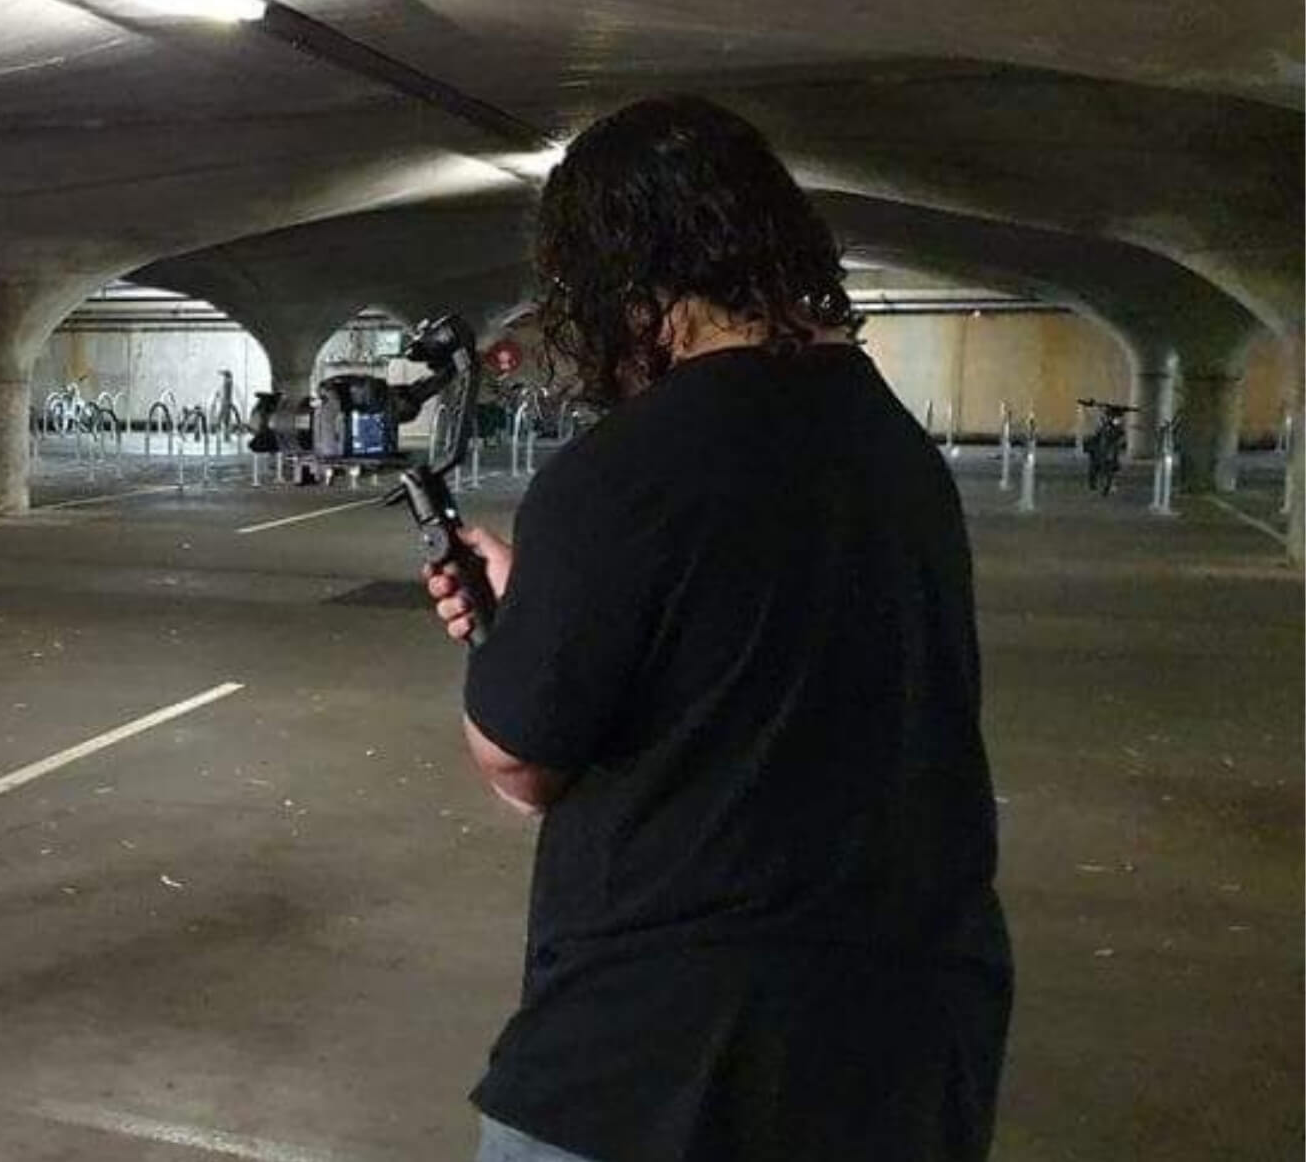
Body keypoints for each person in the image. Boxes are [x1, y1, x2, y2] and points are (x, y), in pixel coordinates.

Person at [423, 97, 1012, 1162]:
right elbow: (752, 642)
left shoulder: (621, 471)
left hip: (662, 1059)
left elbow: (520, 756)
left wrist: (515, 639)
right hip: (907, 1045)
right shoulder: (895, 454)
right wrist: (547, 593)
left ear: (618, 278)